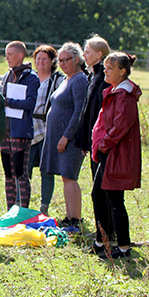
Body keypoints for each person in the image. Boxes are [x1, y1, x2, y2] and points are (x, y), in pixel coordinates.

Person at [90, 52, 141, 259]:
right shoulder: (113, 92)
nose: (105, 71)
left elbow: (120, 127)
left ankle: (123, 247)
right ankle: (102, 241)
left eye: (110, 68)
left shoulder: (125, 96)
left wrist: (103, 145)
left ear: (123, 71)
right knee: (99, 195)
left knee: (114, 200)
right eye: (105, 67)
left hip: (116, 154)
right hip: (108, 153)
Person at [40, 43, 89, 228]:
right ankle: (69, 217)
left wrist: (66, 137)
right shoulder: (67, 79)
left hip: (70, 139)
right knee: (65, 177)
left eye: (66, 60)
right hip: (59, 138)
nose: (62, 64)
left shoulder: (79, 80)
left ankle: (75, 219)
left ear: (76, 59)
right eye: (59, 61)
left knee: (70, 176)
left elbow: (79, 111)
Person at [0, 41, 39, 209]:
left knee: (21, 175)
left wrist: (7, 101)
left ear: (20, 55)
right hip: (6, 132)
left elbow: (30, 103)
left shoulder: (31, 78)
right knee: (8, 174)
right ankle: (10, 211)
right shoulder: (6, 76)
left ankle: (23, 211)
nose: (6, 57)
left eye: (10, 54)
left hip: (20, 132)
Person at [28, 45, 65, 215]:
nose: (41, 62)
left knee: (46, 169)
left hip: (47, 129)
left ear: (52, 61)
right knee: (24, 168)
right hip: (29, 128)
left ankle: (44, 206)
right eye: (38, 59)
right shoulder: (30, 78)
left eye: (45, 59)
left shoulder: (57, 80)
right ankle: (22, 203)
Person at [79, 35, 111, 183]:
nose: (83, 55)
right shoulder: (93, 76)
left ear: (99, 55)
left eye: (87, 52)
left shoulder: (106, 78)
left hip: (103, 142)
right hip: (94, 141)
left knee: (102, 189)